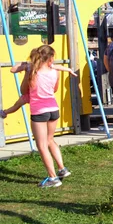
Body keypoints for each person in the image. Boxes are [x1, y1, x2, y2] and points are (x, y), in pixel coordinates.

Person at [24, 45, 73, 188]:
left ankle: (53, 178)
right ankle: (62, 169)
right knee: (50, 139)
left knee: (42, 145)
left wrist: (26, 70)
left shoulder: (33, 72)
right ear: (51, 59)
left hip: (39, 110)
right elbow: (55, 89)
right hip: (53, 108)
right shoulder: (55, 72)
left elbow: (24, 90)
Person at [1, 51, 77, 120]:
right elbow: (13, 70)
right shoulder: (34, 66)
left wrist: (68, 70)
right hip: (31, 94)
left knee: (17, 105)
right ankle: (5, 112)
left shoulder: (34, 66)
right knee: (17, 105)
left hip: (32, 94)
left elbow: (13, 70)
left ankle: (5, 112)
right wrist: (24, 64)